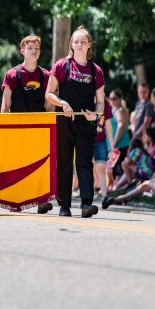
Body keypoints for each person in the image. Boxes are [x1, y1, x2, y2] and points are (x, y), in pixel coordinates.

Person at [45, 26, 105, 217]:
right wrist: (63, 103)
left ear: (89, 45)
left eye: (83, 42)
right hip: (64, 121)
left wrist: (95, 115)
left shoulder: (96, 71)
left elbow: (101, 101)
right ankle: (64, 206)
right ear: (71, 44)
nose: (79, 45)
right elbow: (49, 94)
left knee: (85, 163)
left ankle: (87, 204)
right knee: (64, 163)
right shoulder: (62, 65)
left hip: (86, 123)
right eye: (76, 41)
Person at [0, 34, 54, 214]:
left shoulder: (46, 76)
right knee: (16, 165)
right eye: (30, 48)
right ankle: (14, 201)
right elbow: (5, 104)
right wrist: (4, 127)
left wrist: (50, 127)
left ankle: (41, 201)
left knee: (39, 166)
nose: (34, 51)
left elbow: (49, 106)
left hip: (38, 129)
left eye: (37, 48)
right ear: (22, 51)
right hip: (17, 127)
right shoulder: (12, 74)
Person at [108, 88, 130, 179]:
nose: (112, 100)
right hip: (117, 145)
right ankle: (114, 186)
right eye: (110, 98)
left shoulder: (120, 111)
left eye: (114, 98)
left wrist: (113, 144)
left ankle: (117, 186)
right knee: (112, 167)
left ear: (120, 99)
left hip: (119, 145)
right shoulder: (115, 110)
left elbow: (121, 126)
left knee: (113, 167)